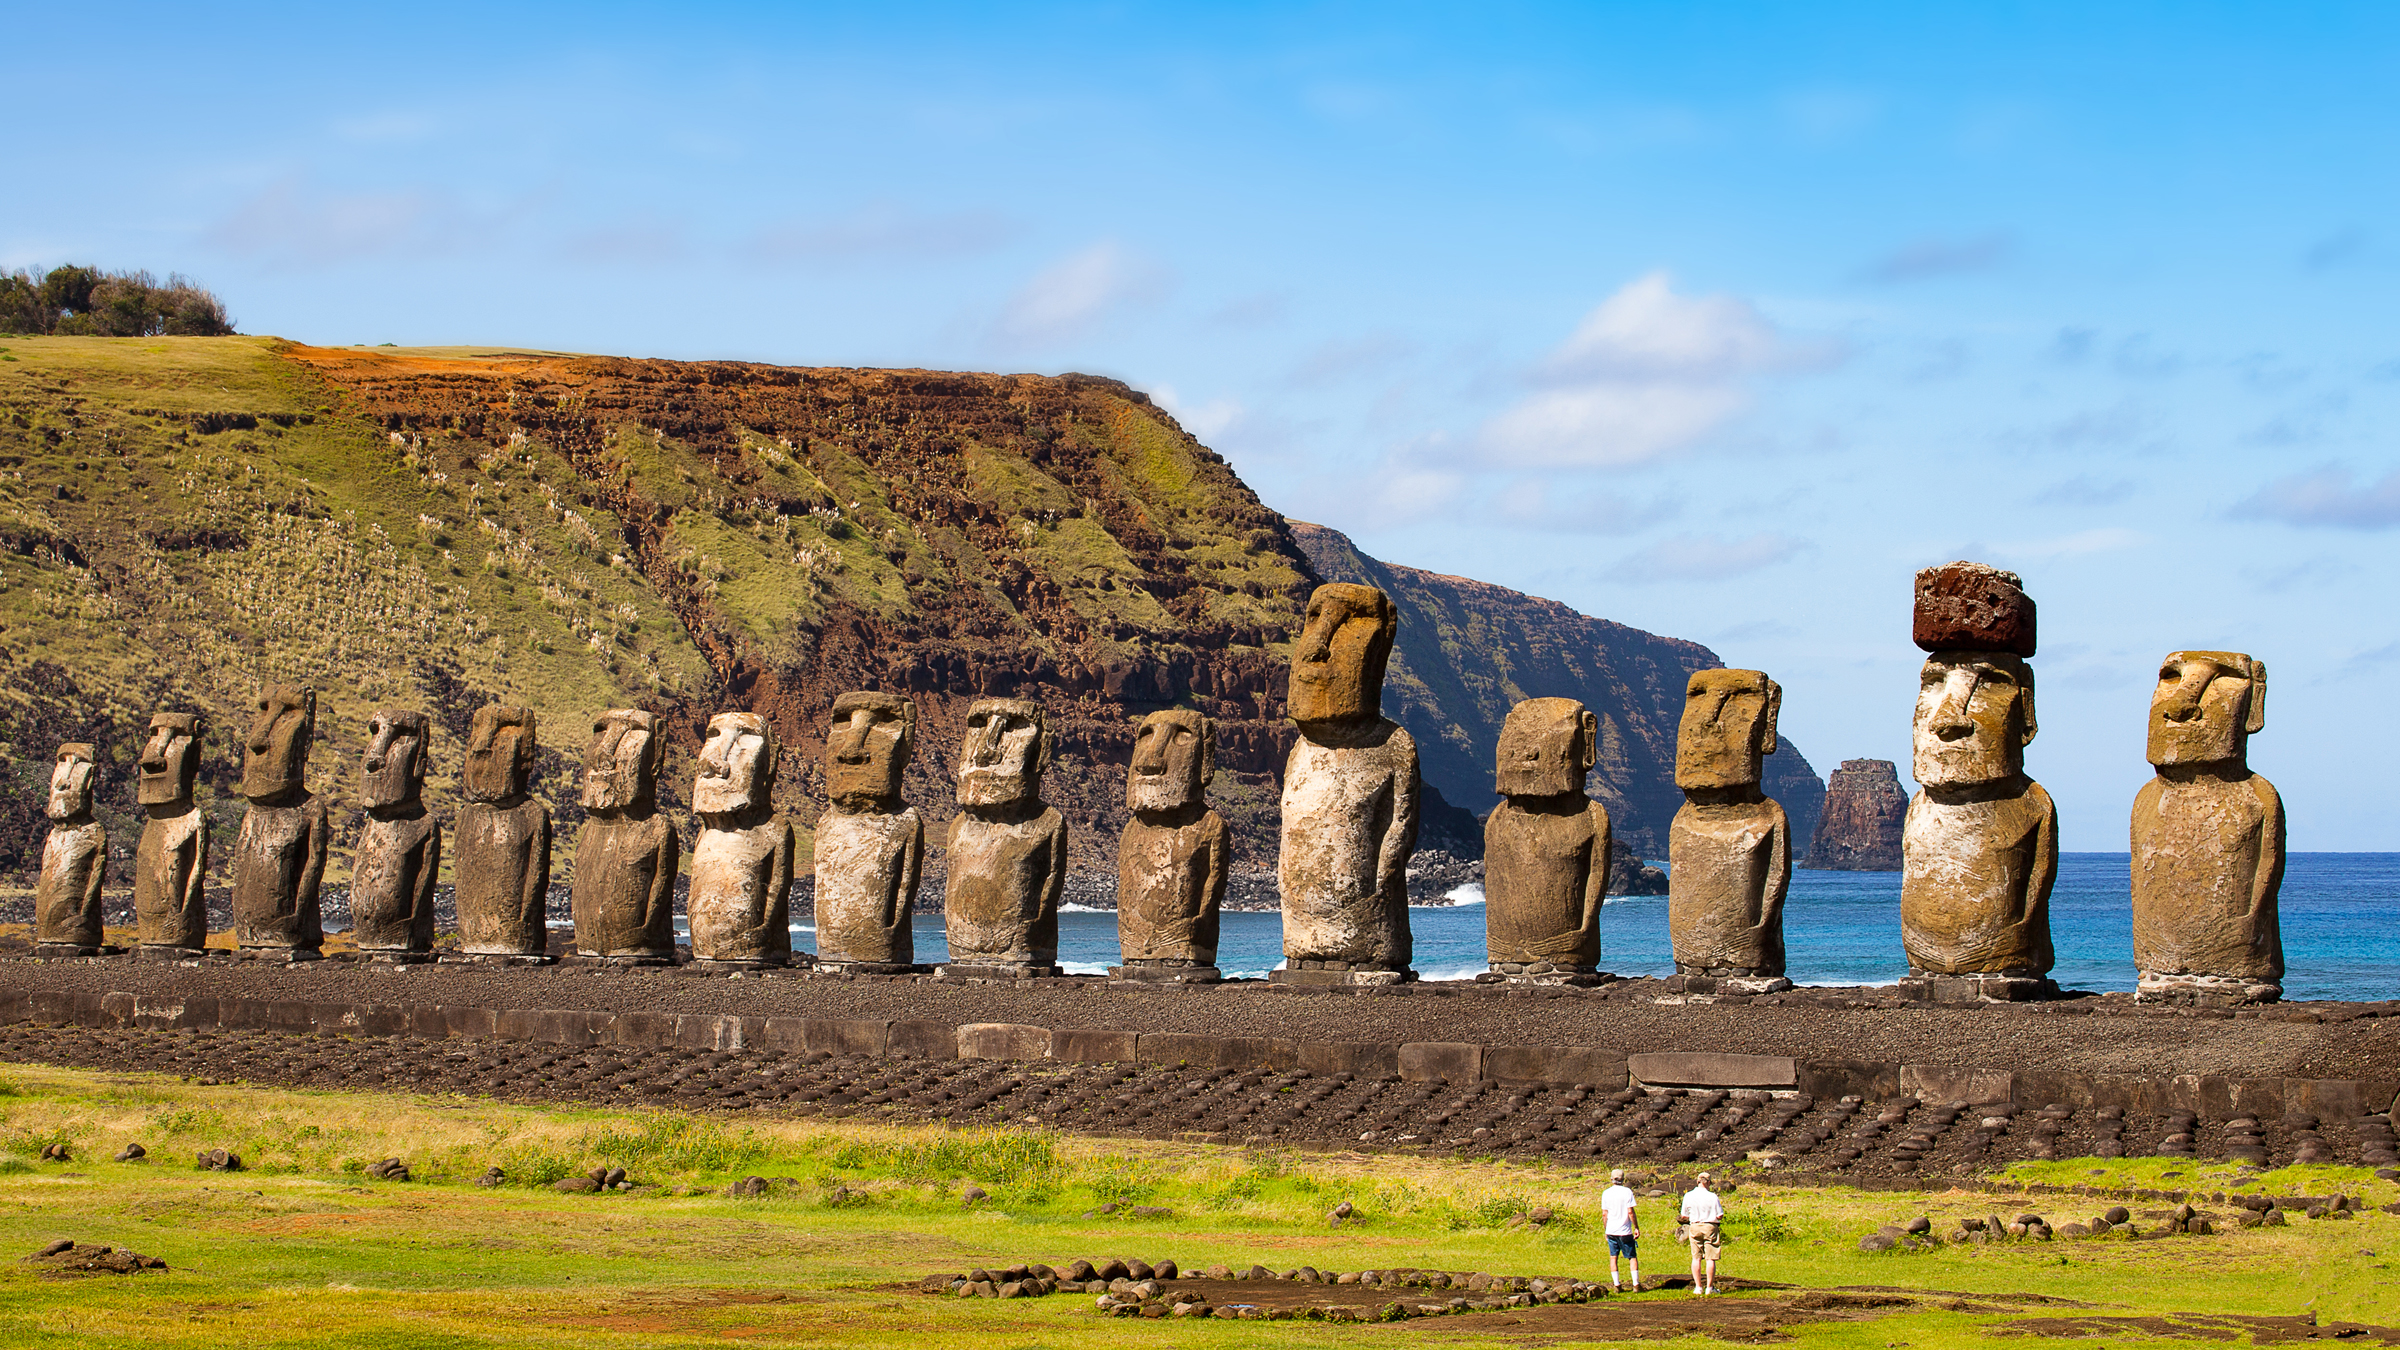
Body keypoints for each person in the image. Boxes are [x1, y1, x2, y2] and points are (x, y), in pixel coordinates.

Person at [1680, 1171, 1725, 1295]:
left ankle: (1698, 1287)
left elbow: (1684, 1215)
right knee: (1710, 1258)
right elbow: (1720, 1215)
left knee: (1696, 1257)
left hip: (1694, 1226)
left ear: (1698, 1181)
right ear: (1708, 1182)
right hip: (1710, 1226)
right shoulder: (1712, 1196)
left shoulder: (1688, 1196)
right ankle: (1709, 1288)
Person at [1599, 1167, 1641, 1291]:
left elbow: (1604, 1214)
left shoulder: (1606, 1193)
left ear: (1611, 1179)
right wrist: (1636, 1227)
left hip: (1611, 1230)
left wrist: (1606, 1229)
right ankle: (1636, 1284)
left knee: (1613, 1257)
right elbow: (1630, 1211)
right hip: (1625, 1231)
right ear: (1623, 1179)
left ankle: (1617, 1285)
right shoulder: (1627, 1192)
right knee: (1632, 1257)